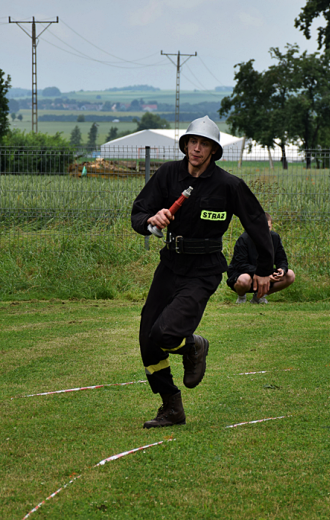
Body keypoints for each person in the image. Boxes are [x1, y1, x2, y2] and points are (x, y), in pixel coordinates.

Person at [131, 116, 274, 428]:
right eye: (192, 142)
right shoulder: (168, 174)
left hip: (204, 270)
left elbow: (256, 221)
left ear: (213, 150)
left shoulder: (229, 185)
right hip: (169, 264)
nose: (196, 148)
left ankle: (194, 345)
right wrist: (150, 220)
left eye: (204, 143)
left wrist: (265, 268)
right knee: (147, 339)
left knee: (165, 333)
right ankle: (171, 406)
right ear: (185, 145)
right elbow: (138, 213)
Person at [227, 213, 295, 304]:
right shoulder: (244, 239)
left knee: (290, 275)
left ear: (271, 226)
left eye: (268, 227)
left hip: (266, 274)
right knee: (244, 279)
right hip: (245, 274)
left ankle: (259, 296)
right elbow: (240, 264)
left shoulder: (275, 238)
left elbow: (282, 259)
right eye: (261, 227)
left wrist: (282, 269)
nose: (264, 231)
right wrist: (263, 274)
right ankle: (241, 298)